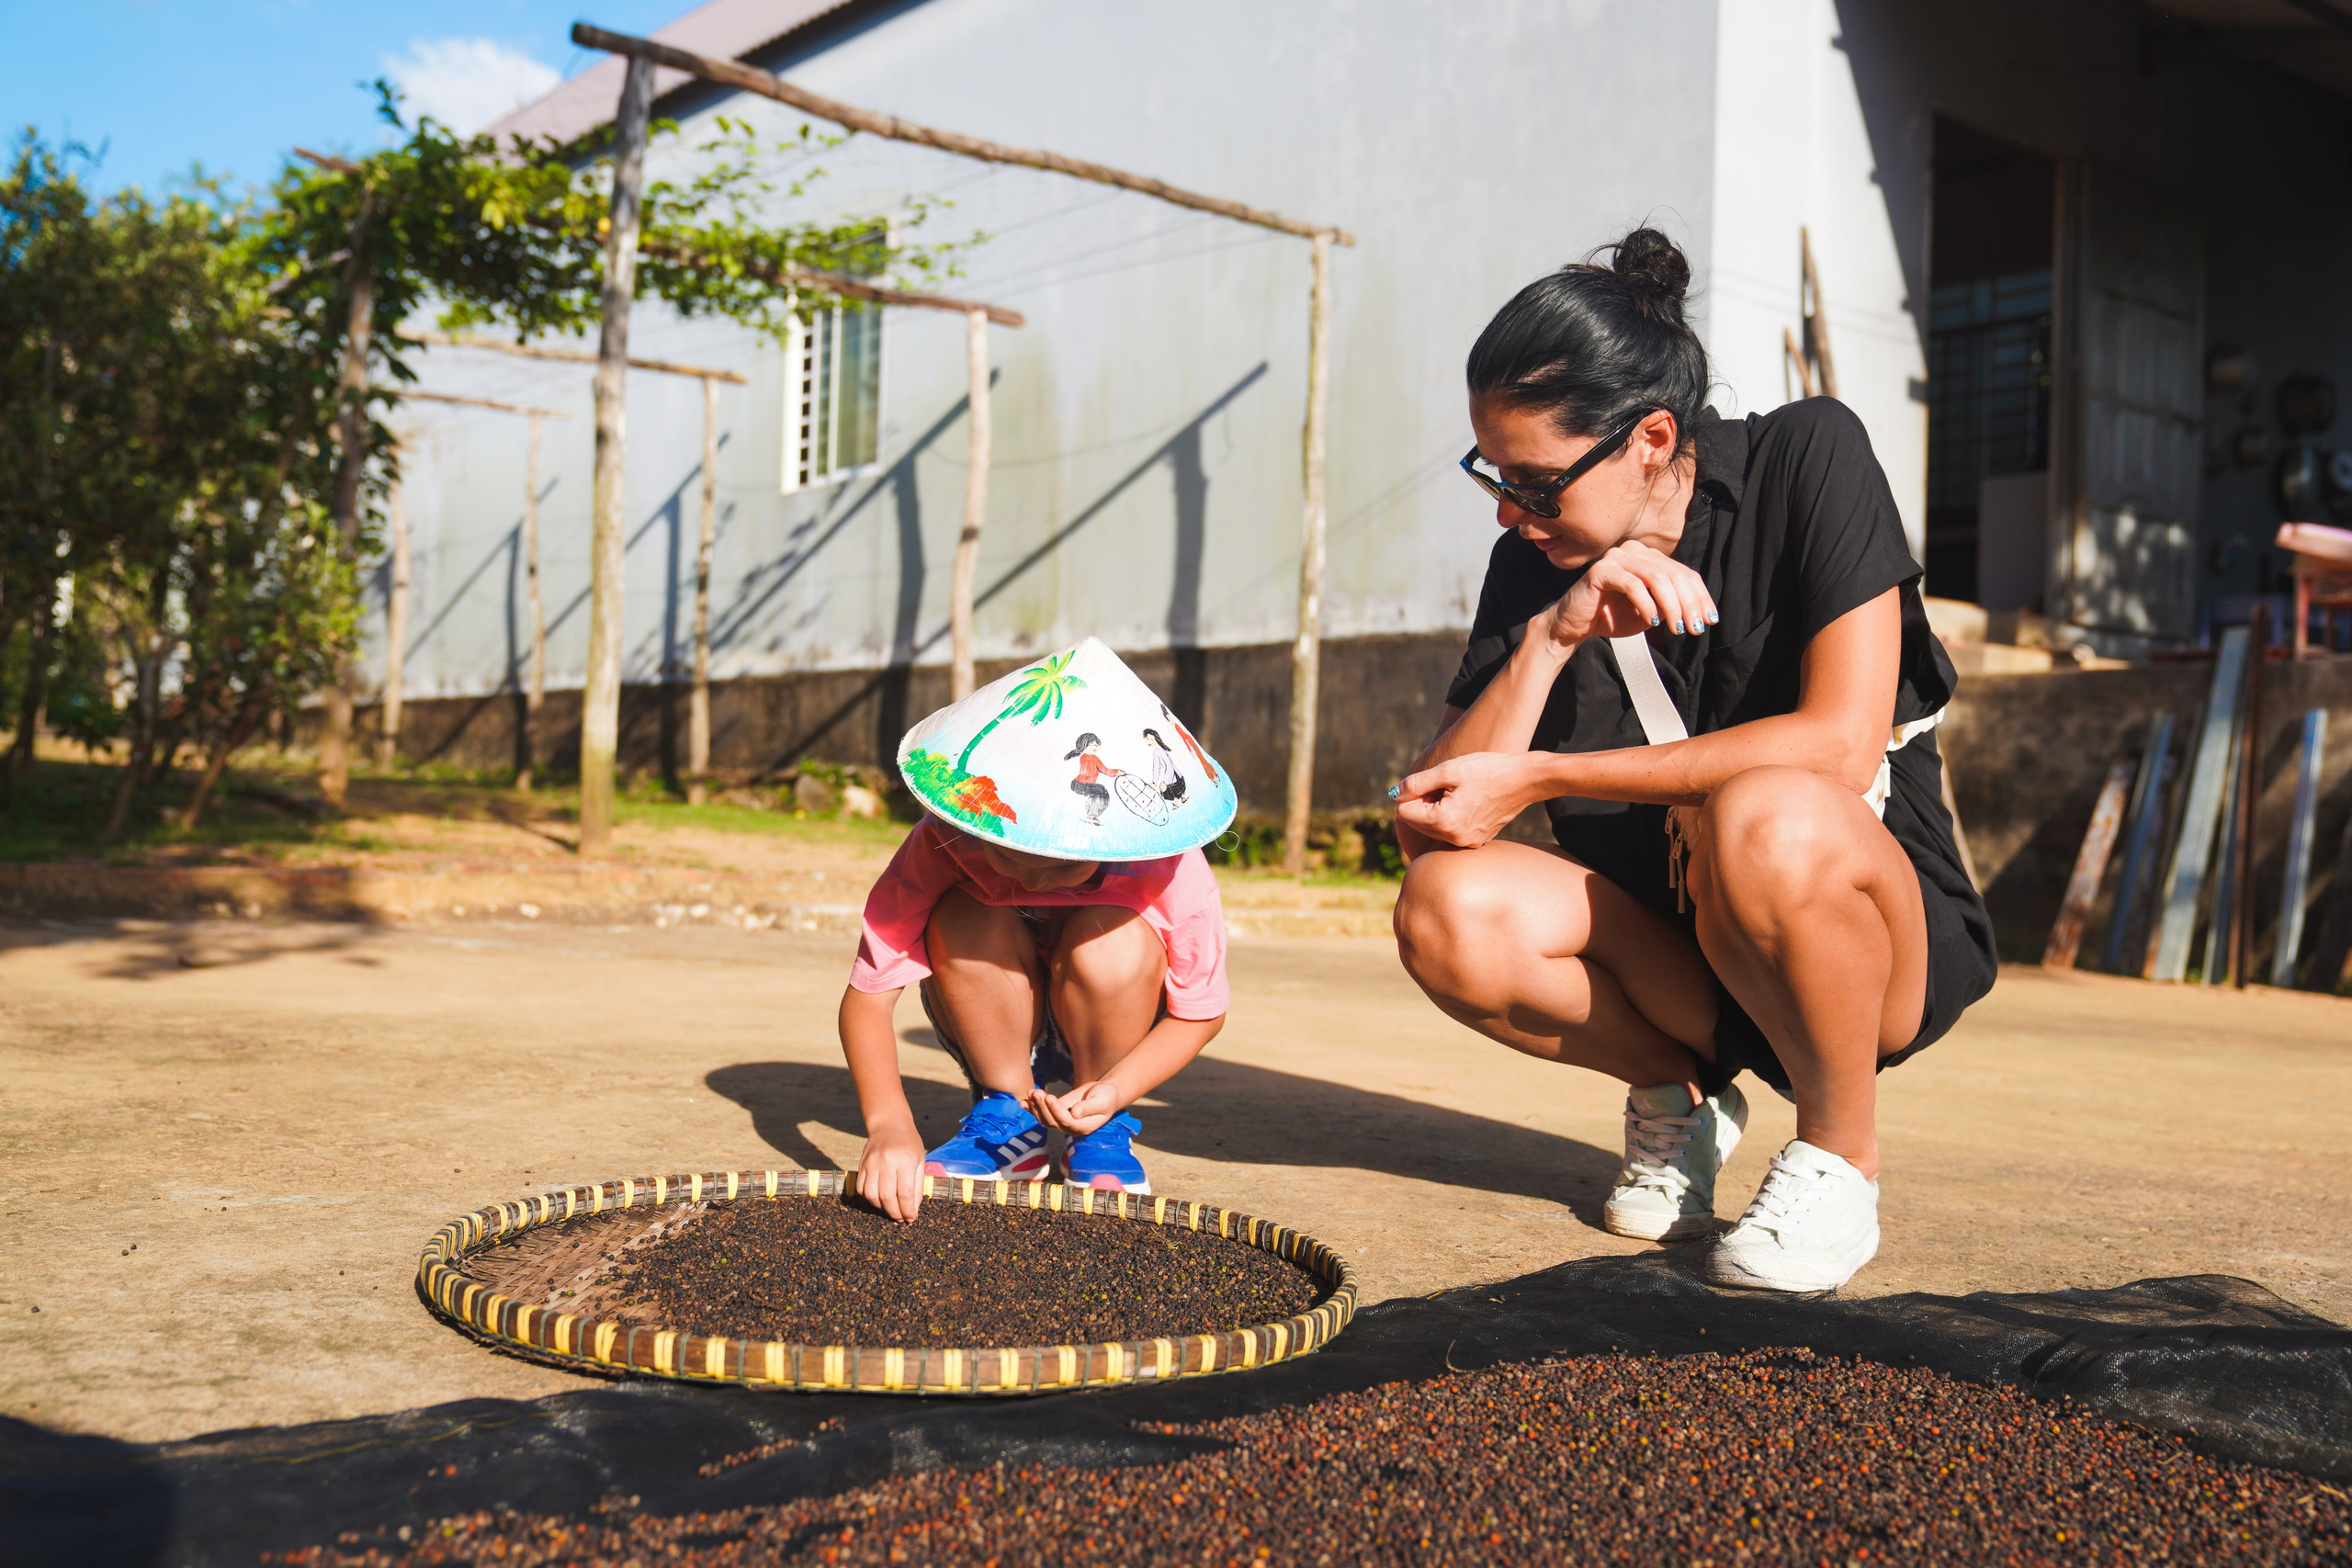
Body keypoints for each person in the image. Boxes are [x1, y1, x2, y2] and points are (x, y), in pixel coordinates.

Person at [1389, 228, 1995, 1292]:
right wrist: (1551, 635)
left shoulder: (1807, 458)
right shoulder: (1531, 566)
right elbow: (1431, 820)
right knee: (1446, 908)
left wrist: (1546, 775)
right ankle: (1679, 1097)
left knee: (1767, 810)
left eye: (1535, 485)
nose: (1508, 511)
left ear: (1650, 439)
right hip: (1685, 963)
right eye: (1493, 475)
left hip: (1862, 937)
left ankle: (1839, 1155)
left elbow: (1838, 741)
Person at [841, 639, 1241, 1221]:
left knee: (1116, 939)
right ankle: (1008, 1118)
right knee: (962, 910)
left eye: (1057, 866)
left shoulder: (1169, 863)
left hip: (1113, 1014)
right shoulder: (943, 838)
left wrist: (1114, 1092)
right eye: (1006, 851)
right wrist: (888, 1126)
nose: (1028, 874)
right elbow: (868, 999)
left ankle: (1098, 1131)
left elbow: (1201, 1012)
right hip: (990, 1009)